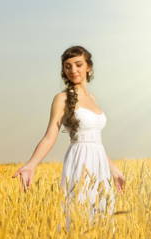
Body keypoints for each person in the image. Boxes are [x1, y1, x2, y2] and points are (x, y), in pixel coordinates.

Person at [12, 45, 125, 218]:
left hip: (100, 163)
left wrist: (114, 170)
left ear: (89, 67)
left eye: (78, 64)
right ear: (63, 71)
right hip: (80, 161)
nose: (73, 70)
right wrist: (31, 165)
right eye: (68, 66)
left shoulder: (92, 98)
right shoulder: (62, 99)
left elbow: (95, 141)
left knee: (102, 215)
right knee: (80, 213)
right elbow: (50, 137)